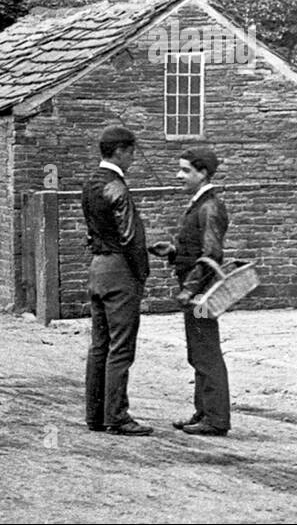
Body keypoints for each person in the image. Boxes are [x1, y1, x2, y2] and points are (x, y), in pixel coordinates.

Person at [150, 147, 231, 437]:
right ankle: (204, 412)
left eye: (185, 170)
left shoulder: (210, 207)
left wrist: (189, 289)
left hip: (201, 296)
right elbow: (197, 250)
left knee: (206, 351)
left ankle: (216, 418)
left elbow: (211, 255)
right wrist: (174, 252)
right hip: (198, 292)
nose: (179, 175)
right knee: (198, 351)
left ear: (203, 173)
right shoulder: (201, 204)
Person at [82, 125, 153, 437]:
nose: (133, 159)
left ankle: (95, 416)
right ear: (121, 151)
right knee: (121, 347)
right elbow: (131, 239)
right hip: (119, 270)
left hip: (96, 268)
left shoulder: (90, 184)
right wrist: (141, 275)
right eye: (132, 152)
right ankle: (118, 416)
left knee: (99, 345)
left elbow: (94, 230)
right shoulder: (118, 188)